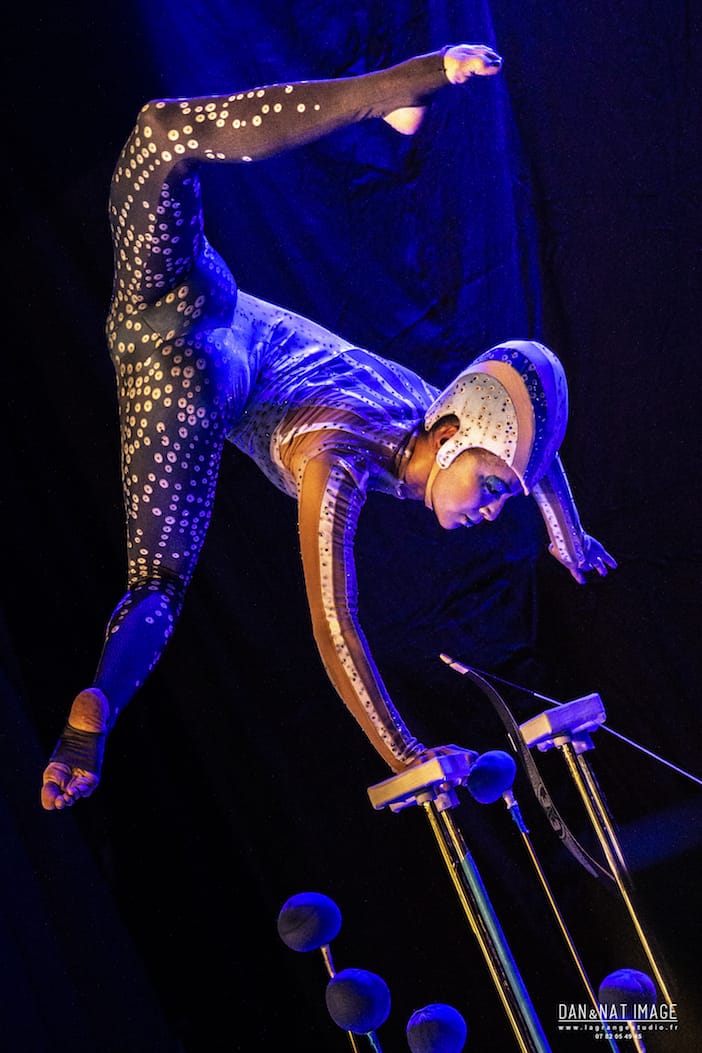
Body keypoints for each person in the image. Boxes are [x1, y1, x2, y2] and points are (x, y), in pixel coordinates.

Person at [41, 43, 616, 811]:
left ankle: (395, 91)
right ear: (451, 436)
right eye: (489, 487)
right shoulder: (341, 459)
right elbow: (334, 624)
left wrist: (565, 532)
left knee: (162, 134)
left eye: (499, 495)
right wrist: (407, 753)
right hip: (184, 364)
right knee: (157, 583)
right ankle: (96, 712)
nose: (490, 510)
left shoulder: (427, 409)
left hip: (197, 307)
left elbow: (523, 433)